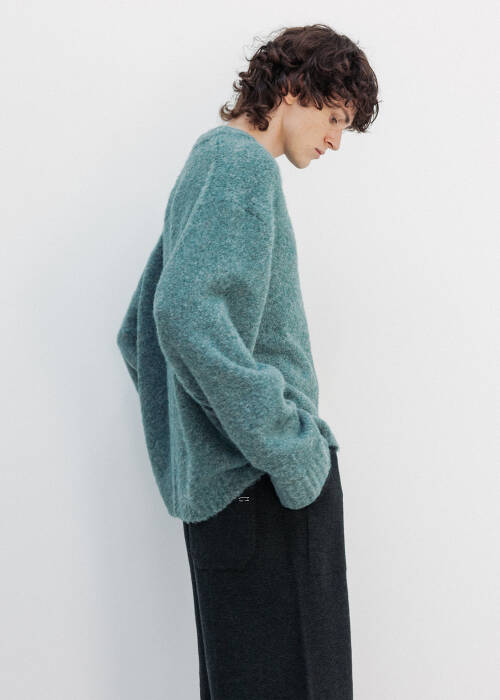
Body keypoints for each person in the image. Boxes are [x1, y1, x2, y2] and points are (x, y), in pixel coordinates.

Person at [117, 22, 379, 700]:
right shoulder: (238, 166)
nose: (335, 141)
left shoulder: (210, 166)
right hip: (265, 493)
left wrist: (196, 453)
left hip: (238, 498)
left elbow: (139, 329)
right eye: (334, 118)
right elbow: (180, 317)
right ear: (293, 89)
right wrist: (290, 451)